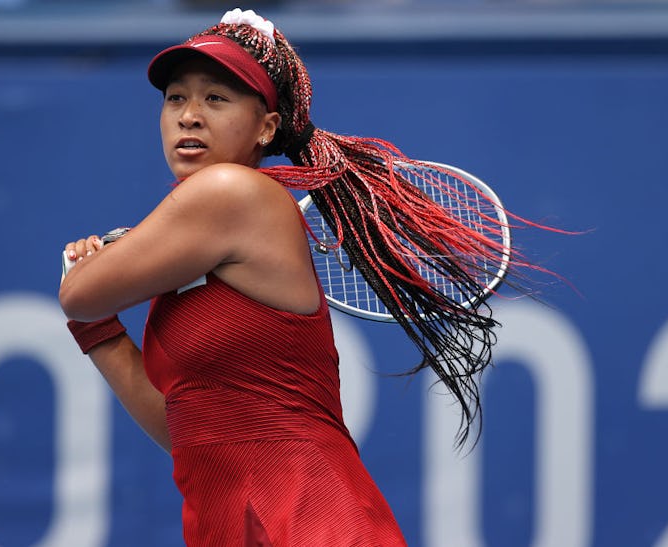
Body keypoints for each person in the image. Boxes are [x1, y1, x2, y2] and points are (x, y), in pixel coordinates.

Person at [59, 8, 517, 545]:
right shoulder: (205, 231)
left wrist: (85, 275)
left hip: (312, 523)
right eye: (176, 97)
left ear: (266, 128)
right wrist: (99, 333)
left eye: (216, 98)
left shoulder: (231, 191)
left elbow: (79, 293)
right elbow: (185, 426)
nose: (188, 115)